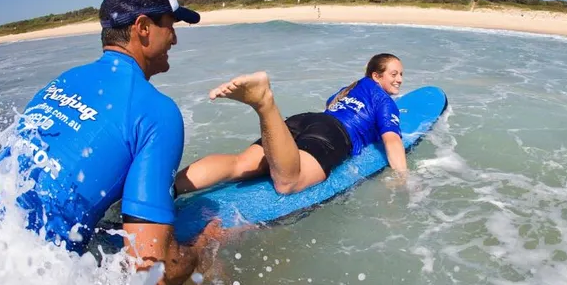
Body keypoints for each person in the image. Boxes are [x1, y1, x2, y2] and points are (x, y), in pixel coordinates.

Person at [0, 0, 223, 285]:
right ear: (143, 28)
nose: (175, 39)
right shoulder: (156, 111)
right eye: (170, 25)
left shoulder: (64, 80)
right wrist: (203, 247)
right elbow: (150, 271)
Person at [174, 53, 407, 196]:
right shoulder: (384, 101)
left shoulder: (352, 87)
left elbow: (330, 104)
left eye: (401, 75)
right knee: (288, 182)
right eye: (394, 74)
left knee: (239, 164)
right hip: (334, 134)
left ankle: (170, 188)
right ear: (377, 76)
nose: (399, 79)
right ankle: (265, 104)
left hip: (305, 120)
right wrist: (403, 178)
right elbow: (392, 140)